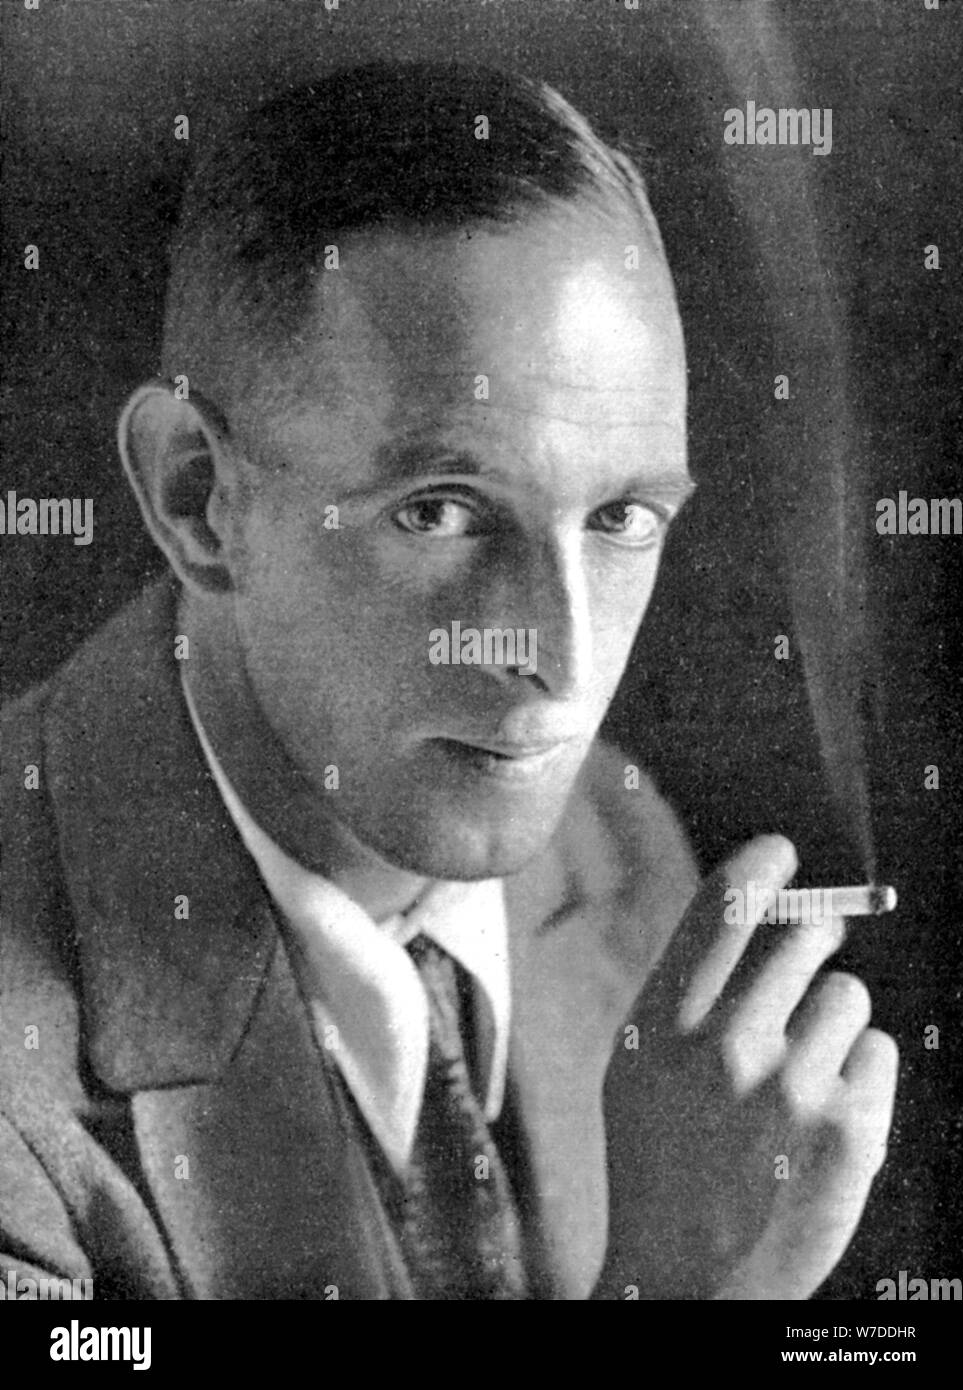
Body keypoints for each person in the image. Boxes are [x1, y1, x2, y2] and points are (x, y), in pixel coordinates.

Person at [0, 61, 897, 1300]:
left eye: (622, 517)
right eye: (441, 510)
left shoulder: (613, 841)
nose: (563, 665)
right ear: (197, 498)